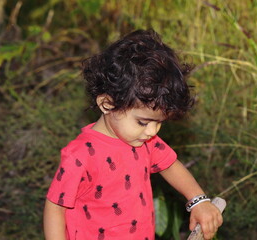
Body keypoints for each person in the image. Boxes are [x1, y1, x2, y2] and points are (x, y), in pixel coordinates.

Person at [43, 29, 223, 240]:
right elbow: (55, 207)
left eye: (159, 123)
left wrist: (198, 201)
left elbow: (170, 165)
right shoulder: (81, 155)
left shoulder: (145, 141)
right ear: (107, 104)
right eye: (143, 122)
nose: (152, 131)